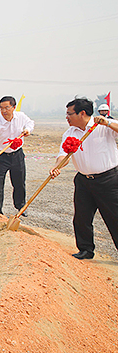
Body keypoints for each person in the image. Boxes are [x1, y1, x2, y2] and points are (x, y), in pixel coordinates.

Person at [49, 97, 118, 260]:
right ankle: (86, 249)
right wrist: (56, 167)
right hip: (83, 181)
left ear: (82, 113)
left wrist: (107, 123)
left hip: (108, 180)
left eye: (69, 114)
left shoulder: (102, 126)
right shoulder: (69, 133)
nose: (67, 117)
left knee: (114, 217)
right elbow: (63, 155)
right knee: (81, 217)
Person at [0, 96, 34, 215]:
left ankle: (21, 206)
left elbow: (30, 123)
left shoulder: (21, 116)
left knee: (19, 182)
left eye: (7, 108)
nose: (4, 111)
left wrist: (28, 130)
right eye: (1, 108)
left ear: (13, 107)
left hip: (17, 155)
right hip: (1, 156)